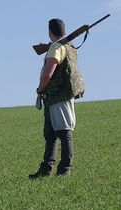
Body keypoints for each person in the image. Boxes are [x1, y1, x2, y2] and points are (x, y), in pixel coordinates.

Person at [29, 18, 85, 179]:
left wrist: (39, 89)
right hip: (57, 96)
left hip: (57, 95)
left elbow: (48, 72)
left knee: (64, 132)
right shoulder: (68, 45)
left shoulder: (57, 47)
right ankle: (46, 170)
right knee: (50, 135)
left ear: (50, 31)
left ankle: (64, 170)